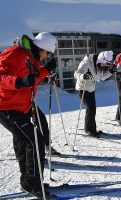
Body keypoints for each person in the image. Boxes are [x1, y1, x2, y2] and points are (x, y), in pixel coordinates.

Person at [0, 32, 57, 198]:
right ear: (41, 48)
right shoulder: (14, 53)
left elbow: (33, 78)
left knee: (24, 142)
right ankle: (32, 184)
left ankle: (27, 181)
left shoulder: (32, 57)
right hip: (6, 106)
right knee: (34, 140)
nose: (47, 56)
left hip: (20, 107)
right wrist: (19, 82)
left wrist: (45, 70)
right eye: (47, 53)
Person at [74, 50, 114, 137]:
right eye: (104, 64)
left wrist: (111, 72)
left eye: (107, 64)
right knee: (90, 108)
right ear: (101, 59)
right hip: (82, 88)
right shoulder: (87, 61)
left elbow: (101, 78)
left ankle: (92, 129)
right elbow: (76, 73)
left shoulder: (98, 65)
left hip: (91, 89)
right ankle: (89, 130)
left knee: (92, 109)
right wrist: (83, 76)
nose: (104, 66)